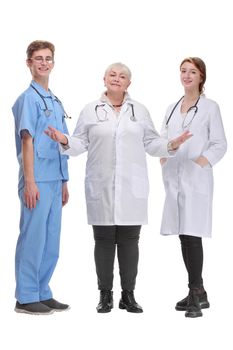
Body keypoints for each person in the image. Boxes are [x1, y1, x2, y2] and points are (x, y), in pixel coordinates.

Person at [45, 62, 192, 313]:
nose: (117, 78)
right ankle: (105, 295)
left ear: (128, 83)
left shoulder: (140, 110)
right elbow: (80, 143)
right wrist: (64, 139)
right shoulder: (91, 110)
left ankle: (128, 295)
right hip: (100, 185)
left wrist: (171, 144)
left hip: (131, 187)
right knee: (102, 241)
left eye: (122, 76)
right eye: (112, 75)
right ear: (104, 79)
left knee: (129, 242)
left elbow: (152, 143)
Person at [160, 57, 227, 318]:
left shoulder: (210, 107)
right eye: (183, 71)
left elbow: (220, 143)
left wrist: (200, 164)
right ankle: (198, 293)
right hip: (174, 177)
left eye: (192, 72)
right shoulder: (172, 107)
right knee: (183, 234)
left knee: (192, 234)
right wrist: (165, 156)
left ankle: (195, 292)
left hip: (196, 178)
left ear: (201, 77)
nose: (187, 75)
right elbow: (164, 139)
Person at [12, 40, 70, 315]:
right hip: (37, 180)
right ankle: (25, 295)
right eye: (38, 58)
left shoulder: (54, 100)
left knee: (51, 238)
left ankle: (42, 291)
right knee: (33, 237)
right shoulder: (29, 99)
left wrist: (64, 181)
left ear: (53, 63)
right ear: (29, 63)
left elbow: (61, 144)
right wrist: (30, 182)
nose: (44, 63)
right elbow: (27, 141)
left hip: (55, 179)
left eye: (48, 58)